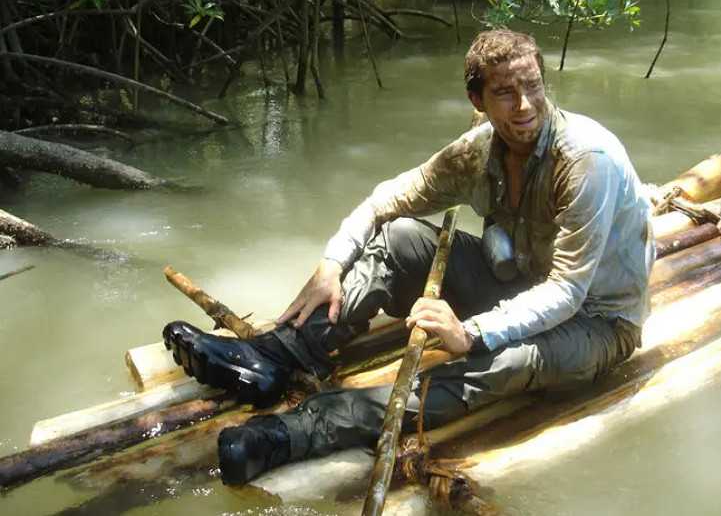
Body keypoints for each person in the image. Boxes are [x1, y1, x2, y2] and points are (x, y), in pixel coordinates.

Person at [163, 29, 655, 485]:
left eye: (533, 87)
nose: (525, 105)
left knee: (509, 358)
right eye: (505, 92)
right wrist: (332, 264)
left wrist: (471, 333)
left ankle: (302, 429)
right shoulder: (478, 152)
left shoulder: (585, 162)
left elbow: (567, 291)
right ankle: (275, 356)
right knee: (400, 238)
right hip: (522, 284)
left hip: (597, 321)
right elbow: (386, 201)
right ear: (477, 101)